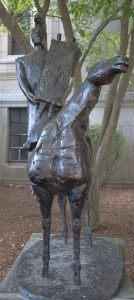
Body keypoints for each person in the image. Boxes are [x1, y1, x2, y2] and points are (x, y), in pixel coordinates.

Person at [16, 14, 59, 151]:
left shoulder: (52, 57)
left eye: (40, 33)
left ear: (45, 36)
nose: (38, 35)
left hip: (50, 99)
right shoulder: (22, 60)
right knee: (35, 138)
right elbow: (21, 80)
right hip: (34, 100)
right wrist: (29, 95)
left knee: (51, 135)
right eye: (35, 33)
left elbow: (62, 75)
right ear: (31, 36)